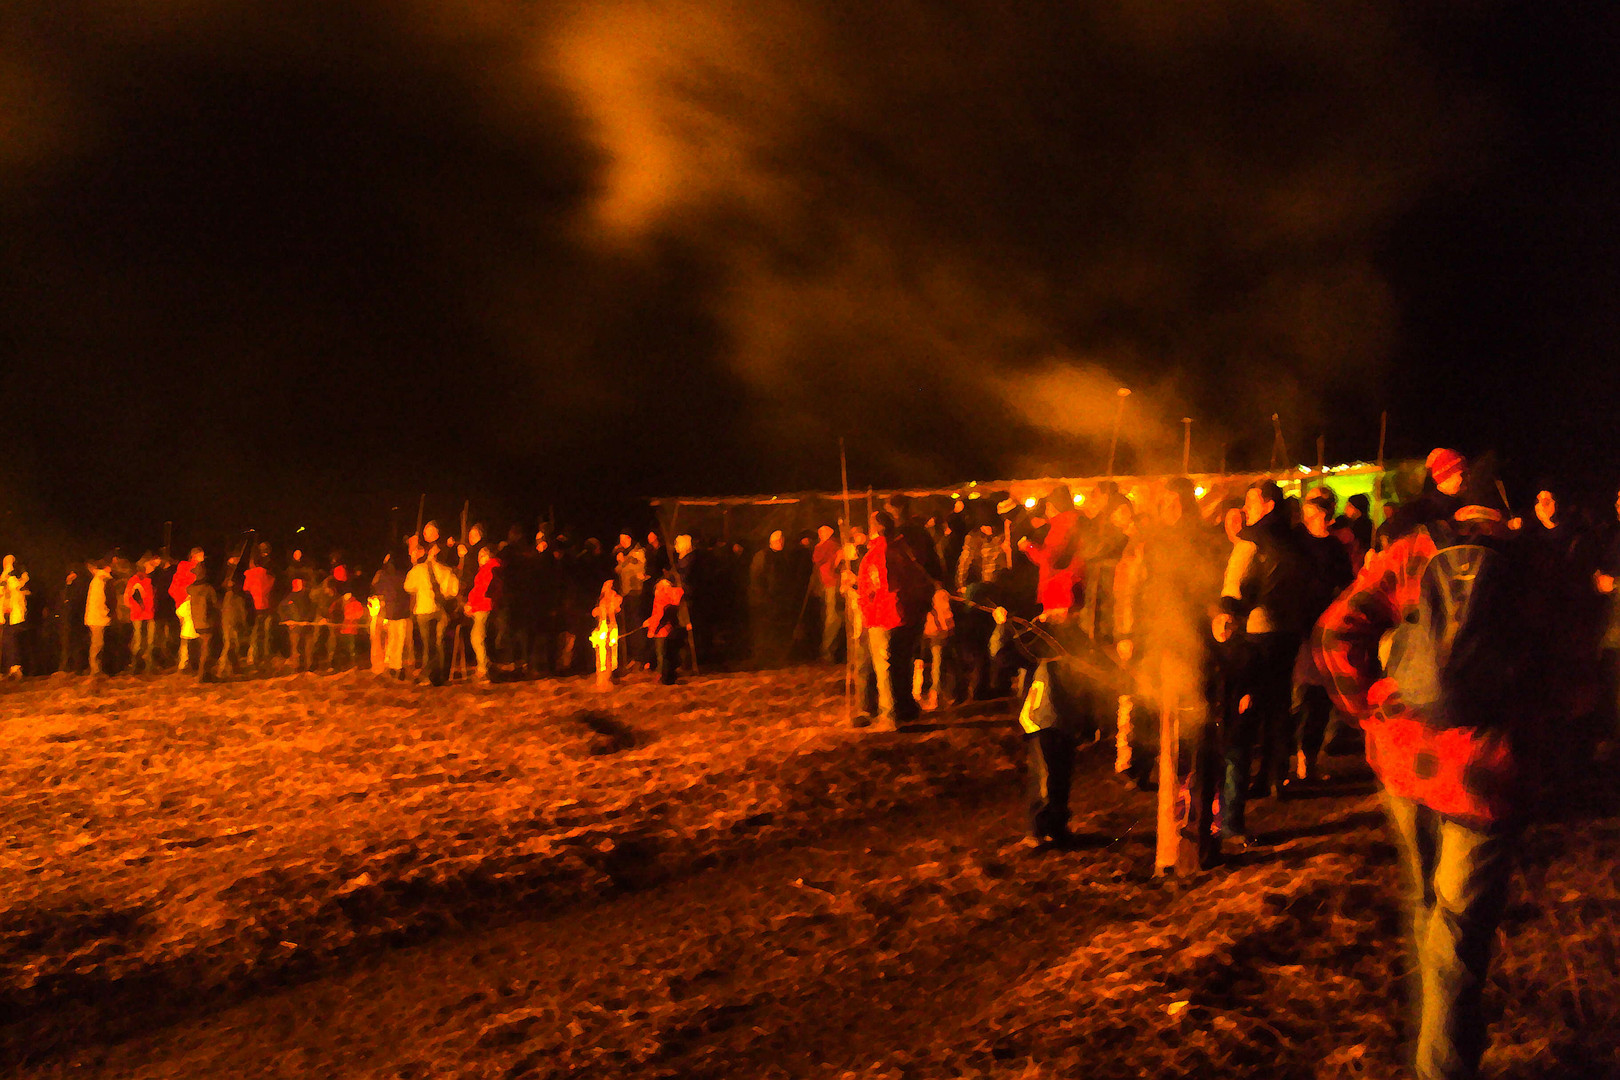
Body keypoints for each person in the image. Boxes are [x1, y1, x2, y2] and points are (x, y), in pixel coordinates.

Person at [1316, 482, 1533, 1080]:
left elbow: (1335, 631)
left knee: (1424, 899)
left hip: (1406, 757)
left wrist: (1369, 707)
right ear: (1506, 515)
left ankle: (1435, 1023)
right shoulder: (1536, 563)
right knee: (1461, 929)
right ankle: (1443, 1063)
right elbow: (1573, 677)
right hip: (1488, 772)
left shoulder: (1412, 551)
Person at [1219, 480, 1312, 845]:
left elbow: (1233, 592)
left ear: (1268, 505)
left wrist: (1226, 619)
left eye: (1250, 502)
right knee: (1277, 710)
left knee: (1240, 723)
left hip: (1253, 637)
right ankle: (1275, 778)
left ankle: (1230, 820)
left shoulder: (1250, 542)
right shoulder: (1297, 542)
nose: (1246, 509)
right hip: (1287, 637)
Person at [1289, 488, 1356, 788]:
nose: (1306, 518)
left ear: (1324, 516)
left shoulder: (1333, 549)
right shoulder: (1296, 542)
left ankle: (1308, 760)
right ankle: (1289, 761)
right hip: (1295, 628)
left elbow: (1346, 585)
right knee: (1297, 696)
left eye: (1311, 513)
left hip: (1322, 629)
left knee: (1316, 698)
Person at [857, 511, 932, 730]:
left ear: (873, 530)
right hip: (907, 615)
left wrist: (866, 612)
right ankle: (906, 709)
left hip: (884, 616)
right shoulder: (904, 551)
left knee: (885, 667)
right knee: (902, 663)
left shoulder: (875, 556)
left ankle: (890, 715)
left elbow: (870, 589)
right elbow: (918, 578)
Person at [405, 543, 459, 685]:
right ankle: (441, 675)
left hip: (424, 609)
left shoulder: (418, 569)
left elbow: (408, 587)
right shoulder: (446, 570)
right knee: (440, 642)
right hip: (440, 611)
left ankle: (428, 676)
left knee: (427, 644)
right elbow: (453, 591)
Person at [372, 550, 412, 679]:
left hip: (391, 610)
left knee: (393, 638)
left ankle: (393, 665)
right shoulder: (403, 575)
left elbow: (376, 587)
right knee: (399, 639)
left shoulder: (383, 576)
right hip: (402, 611)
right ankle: (397, 665)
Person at [644, 566, 687, 684]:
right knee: (667, 654)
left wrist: (653, 629)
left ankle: (661, 674)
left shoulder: (661, 597)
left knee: (661, 654)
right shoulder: (673, 596)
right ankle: (667, 672)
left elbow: (659, 615)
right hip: (670, 629)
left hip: (662, 630)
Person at [466, 544, 501, 680]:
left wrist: (472, 606)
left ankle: (483, 668)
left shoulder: (489, 570)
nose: (479, 558)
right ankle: (486, 665)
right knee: (479, 637)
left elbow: (482, 591)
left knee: (477, 638)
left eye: (482, 555)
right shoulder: (488, 569)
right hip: (481, 607)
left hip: (483, 607)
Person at [811, 524, 843, 663]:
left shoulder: (828, 545)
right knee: (831, 617)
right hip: (828, 584)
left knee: (833, 618)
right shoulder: (829, 545)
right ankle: (829, 651)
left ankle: (828, 651)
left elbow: (817, 558)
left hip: (832, 584)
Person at [244, 543, 277, 669]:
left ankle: (251, 656)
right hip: (265, 605)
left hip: (254, 606)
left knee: (255, 632)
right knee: (266, 632)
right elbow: (272, 586)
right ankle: (265, 656)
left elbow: (246, 589)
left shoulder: (250, 574)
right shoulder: (267, 574)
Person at [123, 555, 157, 674]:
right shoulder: (134, 580)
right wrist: (137, 607)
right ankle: (135, 665)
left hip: (149, 613)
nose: (151, 567)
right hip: (139, 614)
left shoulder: (150, 579)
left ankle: (148, 666)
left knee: (150, 641)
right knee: (138, 641)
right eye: (149, 565)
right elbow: (127, 598)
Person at [187, 562, 220, 681]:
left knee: (201, 648)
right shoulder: (208, 589)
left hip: (196, 622)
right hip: (207, 621)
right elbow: (216, 604)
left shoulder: (190, 589)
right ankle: (202, 674)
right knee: (206, 649)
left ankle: (203, 673)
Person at [278, 576, 316, 672]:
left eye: (300, 583)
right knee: (296, 648)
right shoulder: (288, 598)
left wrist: (308, 620)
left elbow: (312, 609)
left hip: (307, 626)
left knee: (308, 647)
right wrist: (288, 620)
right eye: (296, 583)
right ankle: (297, 667)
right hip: (294, 627)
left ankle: (309, 666)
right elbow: (282, 610)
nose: (298, 585)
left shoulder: (307, 597)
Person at [84, 561, 115, 675]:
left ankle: (96, 668)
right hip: (97, 618)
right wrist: (105, 613)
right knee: (97, 643)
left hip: (95, 617)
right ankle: (95, 669)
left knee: (97, 643)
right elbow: (98, 601)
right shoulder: (100, 582)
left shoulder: (98, 581)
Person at [1, 557, 29, 677]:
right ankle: (11, 667)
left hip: (11, 615)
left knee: (11, 642)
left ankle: (14, 667)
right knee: (8, 642)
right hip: (8, 615)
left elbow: (13, 590)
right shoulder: (7, 577)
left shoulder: (9, 577)